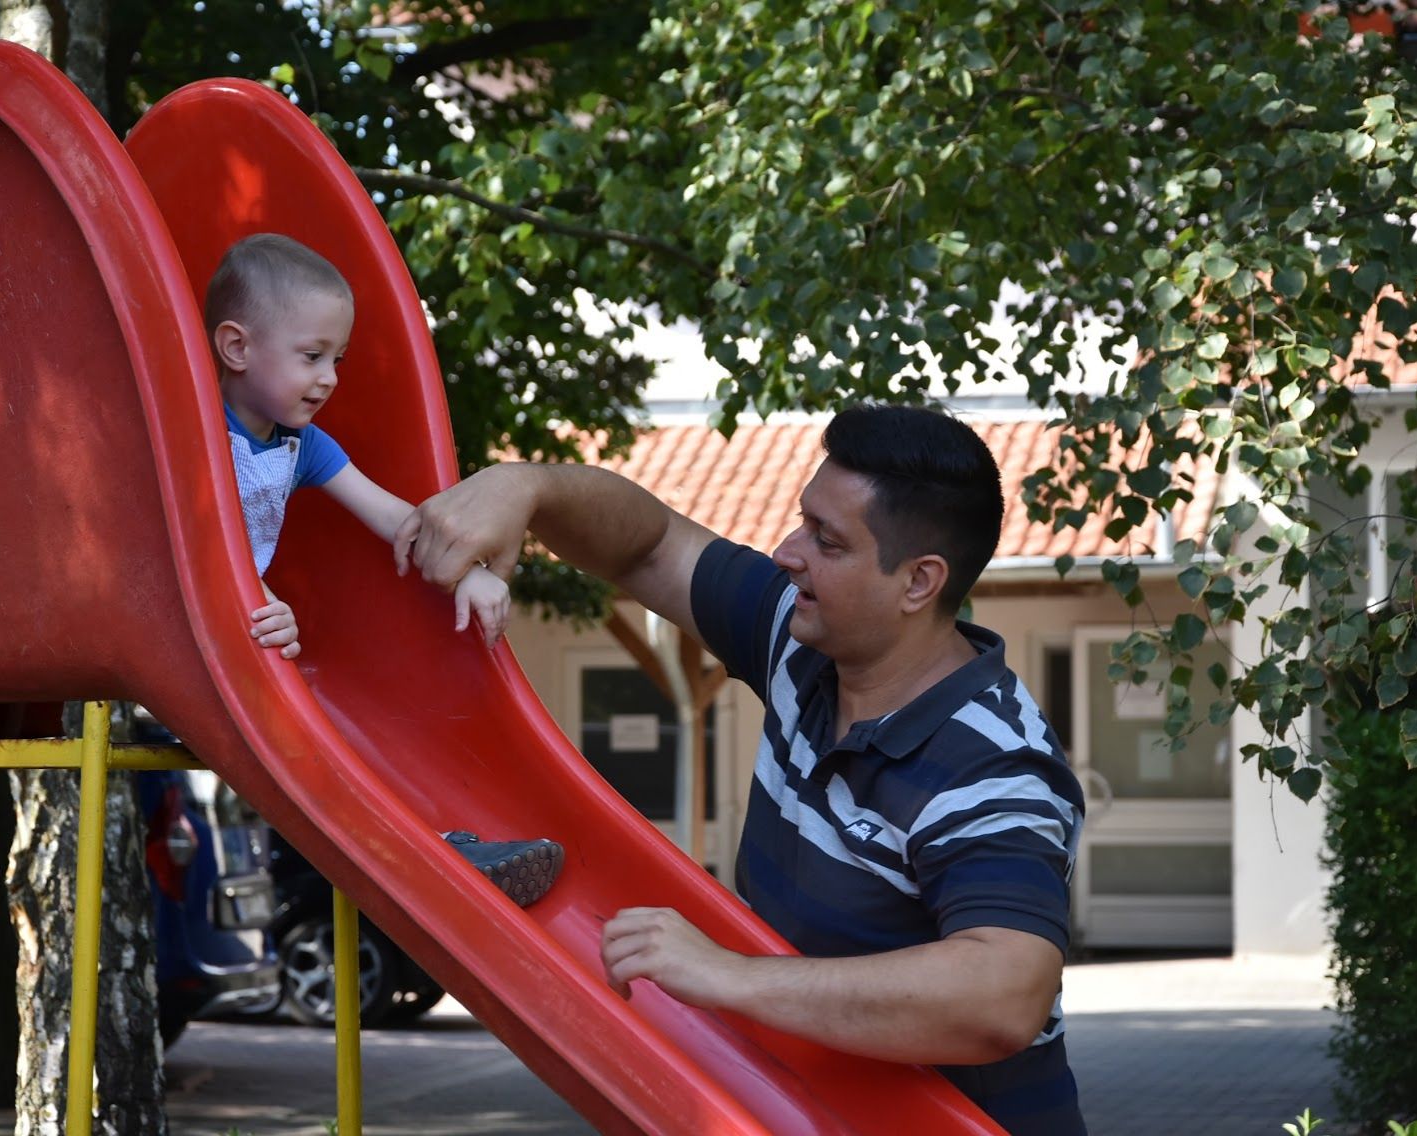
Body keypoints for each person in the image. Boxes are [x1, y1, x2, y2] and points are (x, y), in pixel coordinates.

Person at [395, 403, 1086, 1135]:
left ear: (918, 582)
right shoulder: (802, 638)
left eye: (826, 541)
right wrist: (528, 487)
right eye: (802, 522)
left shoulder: (992, 764)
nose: (787, 552)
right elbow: (648, 546)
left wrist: (727, 974)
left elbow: (1002, 996)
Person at [206, 232, 562, 907]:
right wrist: (253, 595)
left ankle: (431, 846)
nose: (329, 378)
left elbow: (395, 517)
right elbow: (189, 533)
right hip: (203, 626)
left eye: (336, 359)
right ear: (237, 348)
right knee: (309, 724)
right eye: (311, 356)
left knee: (344, 720)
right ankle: (426, 852)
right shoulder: (193, 426)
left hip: (251, 626)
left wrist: (468, 570)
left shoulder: (301, 444)